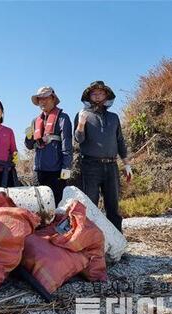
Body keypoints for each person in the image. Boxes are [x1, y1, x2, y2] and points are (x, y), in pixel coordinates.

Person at [73, 81, 132, 233]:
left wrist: (126, 164)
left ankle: (117, 246)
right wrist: (81, 123)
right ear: (89, 96)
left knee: (113, 207)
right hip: (90, 166)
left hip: (112, 166)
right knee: (90, 206)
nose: (98, 96)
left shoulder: (114, 117)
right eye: (94, 93)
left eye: (101, 93)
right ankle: (90, 244)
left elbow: (120, 141)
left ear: (106, 96)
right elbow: (78, 140)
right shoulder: (82, 114)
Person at [24, 86, 73, 205]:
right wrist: (29, 137)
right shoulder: (35, 121)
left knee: (56, 205)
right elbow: (30, 146)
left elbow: (67, 144)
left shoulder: (63, 118)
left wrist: (66, 167)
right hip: (38, 171)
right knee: (39, 204)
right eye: (40, 99)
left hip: (56, 171)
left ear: (53, 99)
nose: (42, 101)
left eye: (45, 98)